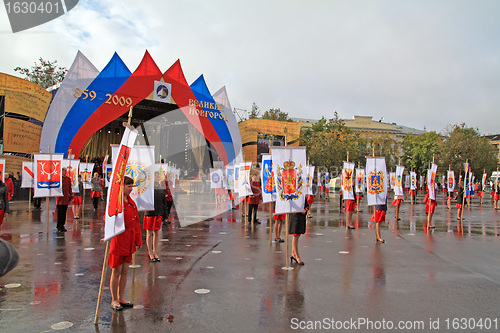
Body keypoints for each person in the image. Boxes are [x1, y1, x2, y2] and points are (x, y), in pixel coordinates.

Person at [109, 176, 142, 311]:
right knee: (116, 271)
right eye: (129, 186)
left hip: (129, 240)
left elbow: (136, 223)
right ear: (122, 186)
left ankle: (121, 297)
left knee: (124, 271)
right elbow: (108, 218)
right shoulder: (116, 203)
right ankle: (114, 299)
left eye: (132, 186)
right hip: (118, 240)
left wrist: (138, 240)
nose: (131, 189)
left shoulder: (131, 203)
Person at [144, 173, 168, 262]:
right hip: (150, 213)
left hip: (158, 212)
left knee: (156, 233)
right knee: (149, 233)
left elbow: (164, 202)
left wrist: (166, 215)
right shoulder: (148, 188)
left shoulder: (161, 189)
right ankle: (150, 252)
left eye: (158, 177)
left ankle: (155, 252)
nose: (157, 178)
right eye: (156, 176)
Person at [289, 201, 309, 265]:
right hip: (295, 215)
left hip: (301, 215)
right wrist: (300, 210)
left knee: (298, 235)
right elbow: (291, 204)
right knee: (296, 235)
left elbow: (305, 202)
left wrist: (305, 209)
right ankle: (297, 256)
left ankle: (293, 253)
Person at [56, 168, 73, 232]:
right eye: (64, 171)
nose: (65, 172)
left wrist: (71, 196)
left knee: (64, 213)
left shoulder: (68, 179)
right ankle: (59, 225)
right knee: (59, 213)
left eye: (66, 171)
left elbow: (69, 188)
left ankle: (62, 225)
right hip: (60, 198)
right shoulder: (58, 179)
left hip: (65, 198)